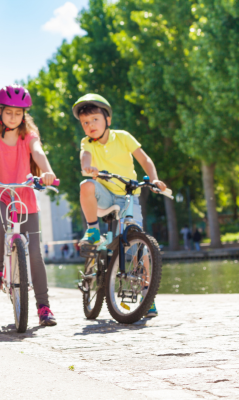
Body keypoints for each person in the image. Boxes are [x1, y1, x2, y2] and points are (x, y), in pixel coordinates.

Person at [0, 85, 57, 327]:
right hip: (0, 193)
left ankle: (44, 307)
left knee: (36, 254)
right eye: (9, 112)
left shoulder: (29, 136)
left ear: (24, 115)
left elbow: (38, 153)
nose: (14, 117)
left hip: (25, 195)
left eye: (19, 113)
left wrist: (47, 172)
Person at [74, 93, 167, 319]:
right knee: (86, 185)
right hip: (104, 195)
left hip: (128, 195)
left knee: (139, 244)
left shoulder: (123, 137)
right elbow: (85, 160)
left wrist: (153, 179)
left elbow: (144, 159)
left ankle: (148, 295)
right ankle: (93, 229)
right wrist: (89, 169)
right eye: (85, 123)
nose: (90, 125)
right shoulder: (87, 143)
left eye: (95, 119)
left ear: (107, 119)